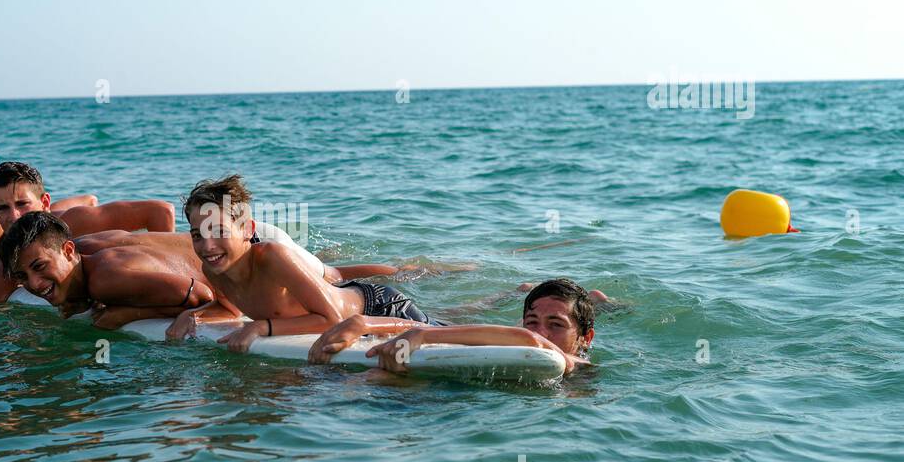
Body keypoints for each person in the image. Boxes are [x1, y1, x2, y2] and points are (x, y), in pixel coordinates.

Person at [165, 175, 442, 352]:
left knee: (446, 334)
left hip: (379, 307)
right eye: (197, 236)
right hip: (349, 316)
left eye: (219, 232)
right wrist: (193, 316)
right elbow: (229, 308)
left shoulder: (271, 256)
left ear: (248, 230)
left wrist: (261, 327)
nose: (207, 246)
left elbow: (332, 319)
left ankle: (482, 303)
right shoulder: (213, 269)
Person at [0, 161, 178, 304]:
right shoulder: (13, 252)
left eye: (22, 204)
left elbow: (160, 210)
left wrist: (166, 267)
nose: (14, 216)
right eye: (3, 208)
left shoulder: (76, 221)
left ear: (45, 203)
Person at [310, 278, 600, 374]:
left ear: (586, 338)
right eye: (532, 322)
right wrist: (365, 323)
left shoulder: (573, 364)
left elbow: (534, 342)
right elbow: (531, 340)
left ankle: (599, 301)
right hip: (411, 313)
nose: (540, 332)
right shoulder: (525, 341)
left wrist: (421, 334)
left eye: (556, 325)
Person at [0, 212, 213, 328]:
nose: (35, 283)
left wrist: (127, 314)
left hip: (233, 269)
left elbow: (203, 296)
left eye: (40, 266)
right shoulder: (85, 247)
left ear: (67, 251)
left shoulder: (104, 280)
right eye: (22, 276)